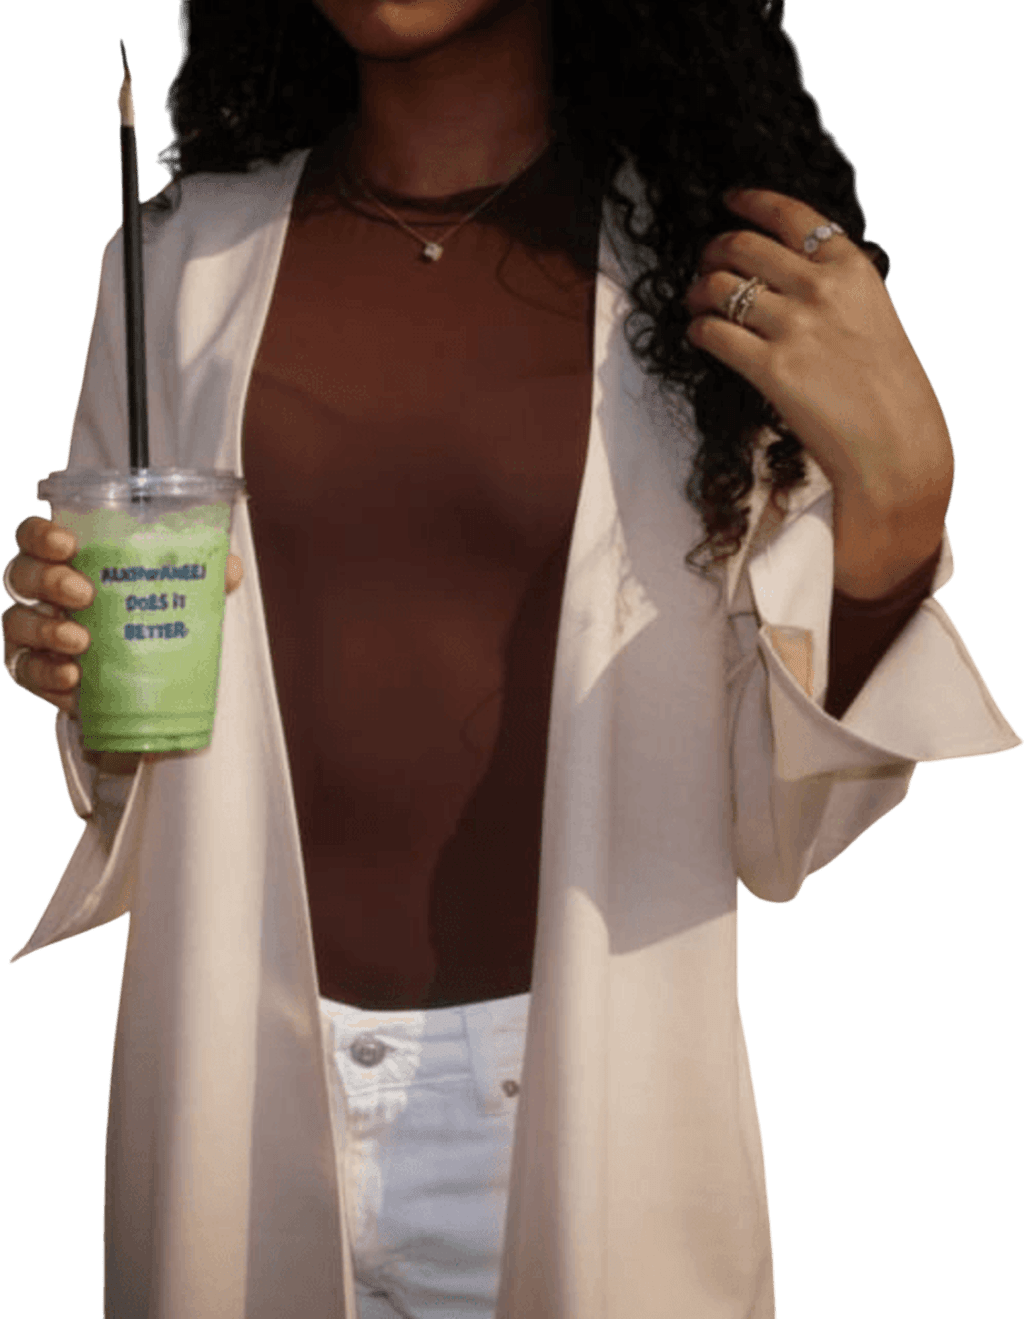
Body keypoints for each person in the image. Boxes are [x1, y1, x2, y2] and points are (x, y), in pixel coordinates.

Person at [2, 2, 1020, 1317]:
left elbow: (785, 827)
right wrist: (81, 671)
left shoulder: (716, 279)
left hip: (591, 1101)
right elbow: (131, 744)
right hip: (234, 1089)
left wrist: (902, 508)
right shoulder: (176, 264)